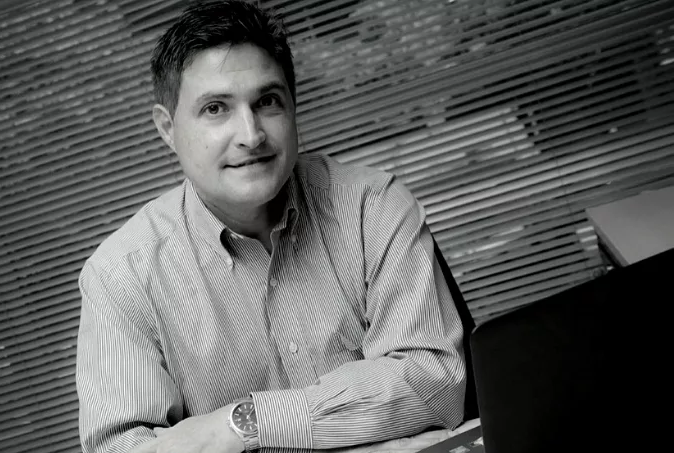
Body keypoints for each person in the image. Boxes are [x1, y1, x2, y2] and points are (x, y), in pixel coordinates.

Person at [75, 1, 467, 452]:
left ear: (293, 106)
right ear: (168, 129)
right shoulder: (121, 277)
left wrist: (243, 424)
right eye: (216, 108)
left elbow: (434, 385)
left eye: (267, 102)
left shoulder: (373, 207)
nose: (251, 134)